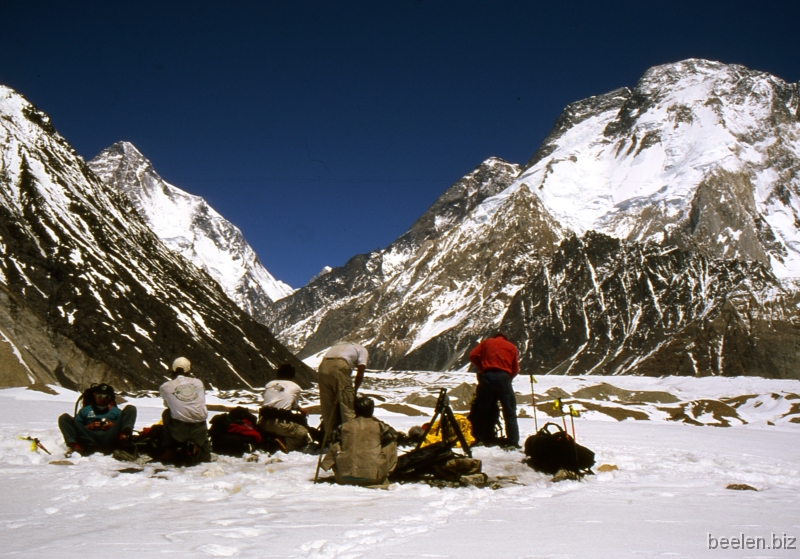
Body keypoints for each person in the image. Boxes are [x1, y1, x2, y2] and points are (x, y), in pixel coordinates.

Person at [321, 396, 398, 486]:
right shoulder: (379, 426)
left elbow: (331, 439)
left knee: (336, 443)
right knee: (391, 442)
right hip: (374, 479)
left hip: (343, 478)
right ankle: (384, 472)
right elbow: (394, 434)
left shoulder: (344, 426)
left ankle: (344, 470)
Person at [468, 332, 521, 448]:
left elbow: (472, 355)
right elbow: (516, 369)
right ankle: (513, 441)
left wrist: (482, 367)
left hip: (488, 376)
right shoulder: (511, 347)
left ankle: (480, 438)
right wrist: (508, 378)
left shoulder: (486, 342)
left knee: (483, 410)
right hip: (504, 377)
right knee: (509, 411)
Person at [58, 383, 137, 457]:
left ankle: (123, 440)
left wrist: (113, 424)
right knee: (64, 418)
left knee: (131, 409)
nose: (103, 399)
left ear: (110, 398)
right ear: (95, 395)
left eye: (106, 397)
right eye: (100, 396)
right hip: (89, 437)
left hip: (109, 437)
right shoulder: (85, 410)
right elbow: (77, 424)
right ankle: (75, 446)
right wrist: (88, 426)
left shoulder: (115, 411)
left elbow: (122, 422)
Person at [158, 357, 211, 463]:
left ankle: (168, 449)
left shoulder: (165, 387)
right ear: (189, 370)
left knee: (167, 413)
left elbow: (167, 404)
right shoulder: (198, 383)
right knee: (199, 410)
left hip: (179, 432)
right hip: (200, 431)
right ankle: (202, 447)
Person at [258, 363, 312, 451]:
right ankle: (283, 442)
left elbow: (275, 398)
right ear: (292, 375)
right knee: (304, 435)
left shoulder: (269, 384)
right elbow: (292, 405)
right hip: (280, 423)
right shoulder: (296, 387)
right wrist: (299, 408)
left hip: (263, 422)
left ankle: (267, 439)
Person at [318, 341, 368, 432]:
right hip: (339, 365)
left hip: (323, 366)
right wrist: (354, 391)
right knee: (346, 406)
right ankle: (349, 437)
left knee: (327, 407)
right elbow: (360, 373)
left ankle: (329, 439)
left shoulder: (338, 345)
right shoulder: (362, 350)